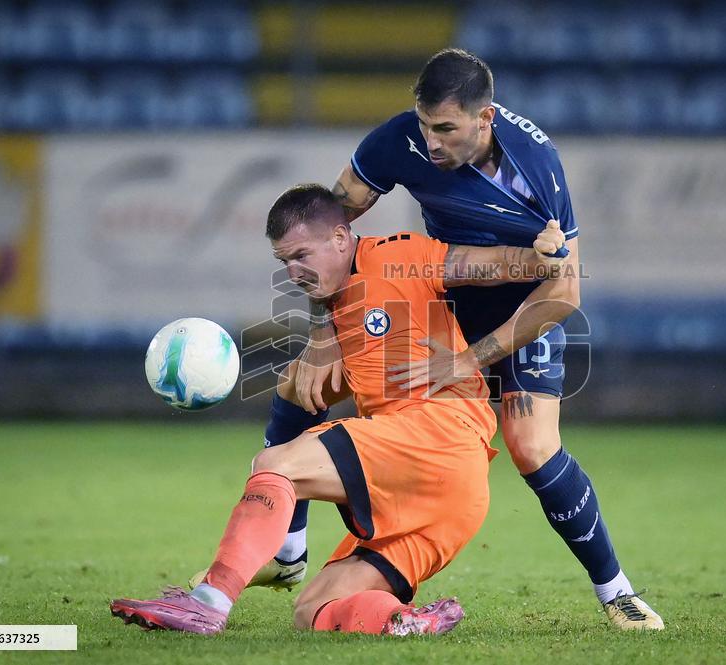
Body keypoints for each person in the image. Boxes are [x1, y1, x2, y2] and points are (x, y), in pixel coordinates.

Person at [258, 49, 664, 631]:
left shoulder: (538, 167)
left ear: (485, 119)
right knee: (302, 381)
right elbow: (326, 234)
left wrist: (472, 360)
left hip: (522, 310)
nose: (431, 142)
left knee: (531, 446)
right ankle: (289, 550)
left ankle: (616, 592)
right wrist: (325, 329)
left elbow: (564, 292)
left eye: (445, 129)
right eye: (424, 125)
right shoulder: (395, 142)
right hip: (442, 295)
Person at [111, 184, 570, 636]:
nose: (292, 271)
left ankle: (210, 602)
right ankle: (406, 622)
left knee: (275, 466)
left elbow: (493, 265)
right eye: (283, 261)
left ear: (339, 238)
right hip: (450, 499)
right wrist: (318, 339)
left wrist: (541, 254)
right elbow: (299, 386)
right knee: (315, 609)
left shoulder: (401, 255)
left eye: (301, 256)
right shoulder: (334, 322)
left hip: (439, 435)